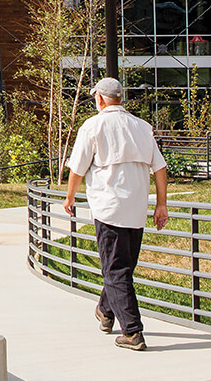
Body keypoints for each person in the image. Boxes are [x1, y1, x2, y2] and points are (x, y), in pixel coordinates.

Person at [64, 77, 168, 351]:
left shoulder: (93, 126)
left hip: (109, 208)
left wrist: (70, 195)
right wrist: (161, 204)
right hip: (136, 210)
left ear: (99, 98)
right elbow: (160, 168)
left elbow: (77, 167)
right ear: (120, 98)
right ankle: (105, 311)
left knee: (115, 270)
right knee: (122, 267)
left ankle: (132, 332)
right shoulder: (143, 127)